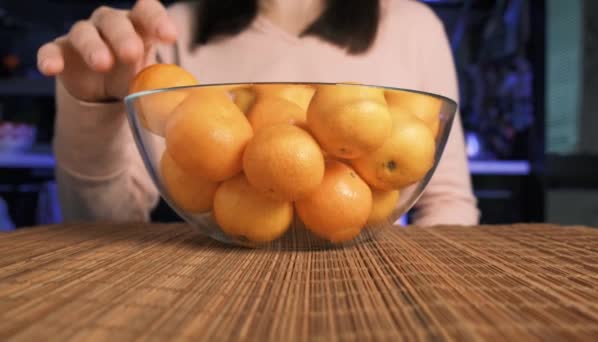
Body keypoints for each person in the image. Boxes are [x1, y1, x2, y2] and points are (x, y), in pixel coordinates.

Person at [37, 0, 479, 226]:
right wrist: (93, 108)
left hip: (372, 294)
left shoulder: (413, 27)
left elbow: (447, 204)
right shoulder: (174, 29)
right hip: (207, 294)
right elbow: (109, 222)